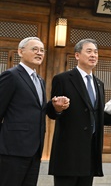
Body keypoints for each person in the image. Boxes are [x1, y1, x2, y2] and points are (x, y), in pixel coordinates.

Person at [47, 38, 111, 186]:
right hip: (69, 151)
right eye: (89, 51)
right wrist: (57, 107)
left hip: (90, 151)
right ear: (77, 55)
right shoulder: (62, 79)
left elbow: (96, 115)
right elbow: (51, 112)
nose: (93, 55)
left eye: (96, 52)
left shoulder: (99, 83)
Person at [0, 37, 63, 186]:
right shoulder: (11, 76)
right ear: (20, 52)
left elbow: (37, 110)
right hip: (12, 150)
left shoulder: (39, 80)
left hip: (35, 149)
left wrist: (54, 107)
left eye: (42, 50)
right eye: (34, 49)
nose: (39, 53)